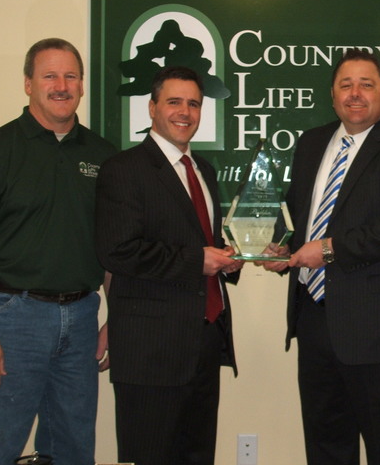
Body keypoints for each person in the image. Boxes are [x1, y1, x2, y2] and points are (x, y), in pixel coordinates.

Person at [263, 48, 380, 465]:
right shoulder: (311, 144)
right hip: (315, 320)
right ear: (333, 94)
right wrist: (281, 244)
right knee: (325, 447)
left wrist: (327, 249)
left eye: (366, 84)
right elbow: (299, 213)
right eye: (346, 84)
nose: (355, 93)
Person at [0, 38, 117, 465]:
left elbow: (113, 251)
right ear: (28, 84)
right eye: (50, 76)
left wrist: (114, 320)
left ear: (82, 86)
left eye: (71, 76)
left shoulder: (104, 156)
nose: (62, 85)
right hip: (11, 321)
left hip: (81, 320)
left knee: (73, 450)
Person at [95, 66, 242, 465]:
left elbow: (199, 244)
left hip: (205, 340)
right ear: (152, 108)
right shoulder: (123, 170)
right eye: (174, 101)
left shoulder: (204, 172)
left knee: (198, 456)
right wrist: (199, 260)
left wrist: (227, 259)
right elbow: (118, 251)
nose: (185, 111)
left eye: (193, 103)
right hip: (151, 350)